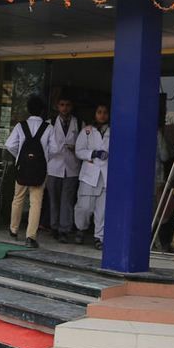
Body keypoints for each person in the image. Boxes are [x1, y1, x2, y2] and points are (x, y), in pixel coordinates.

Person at [4, 95, 52, 248]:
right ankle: (31, 236)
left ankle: (13, 229)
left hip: (22, 168)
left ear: (28, 109)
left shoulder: (20, 126)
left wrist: (20, 156)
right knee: (36, 202)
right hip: (40, 169)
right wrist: (44, 155)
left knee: (18, 198)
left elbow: (9, 144)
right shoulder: (48, 128)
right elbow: (56, 148)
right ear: (42, 110)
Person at [74, 103, 110, 250]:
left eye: (105, 112)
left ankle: (99, 237)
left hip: (106, 174)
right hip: (89, 174)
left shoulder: (114, 131)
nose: (102, 115)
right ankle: (80, 229)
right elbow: (78, 150)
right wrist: (93, 153)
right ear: (94, 114)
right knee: (85, 207)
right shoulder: (87, 131)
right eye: (99, 112)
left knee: (102, 209)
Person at [46, 95, 81, 243]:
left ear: (71, 107)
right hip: (53, 167)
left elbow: (84, 144)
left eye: (67, 104)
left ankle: (64, 229)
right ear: (57, 106)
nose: (64, 108)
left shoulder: (78, 123)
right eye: (62, 104)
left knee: (67, 200)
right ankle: (54, 226)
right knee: (54, 199)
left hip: (72, 167)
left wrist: (76, 149)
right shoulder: (50, 123)